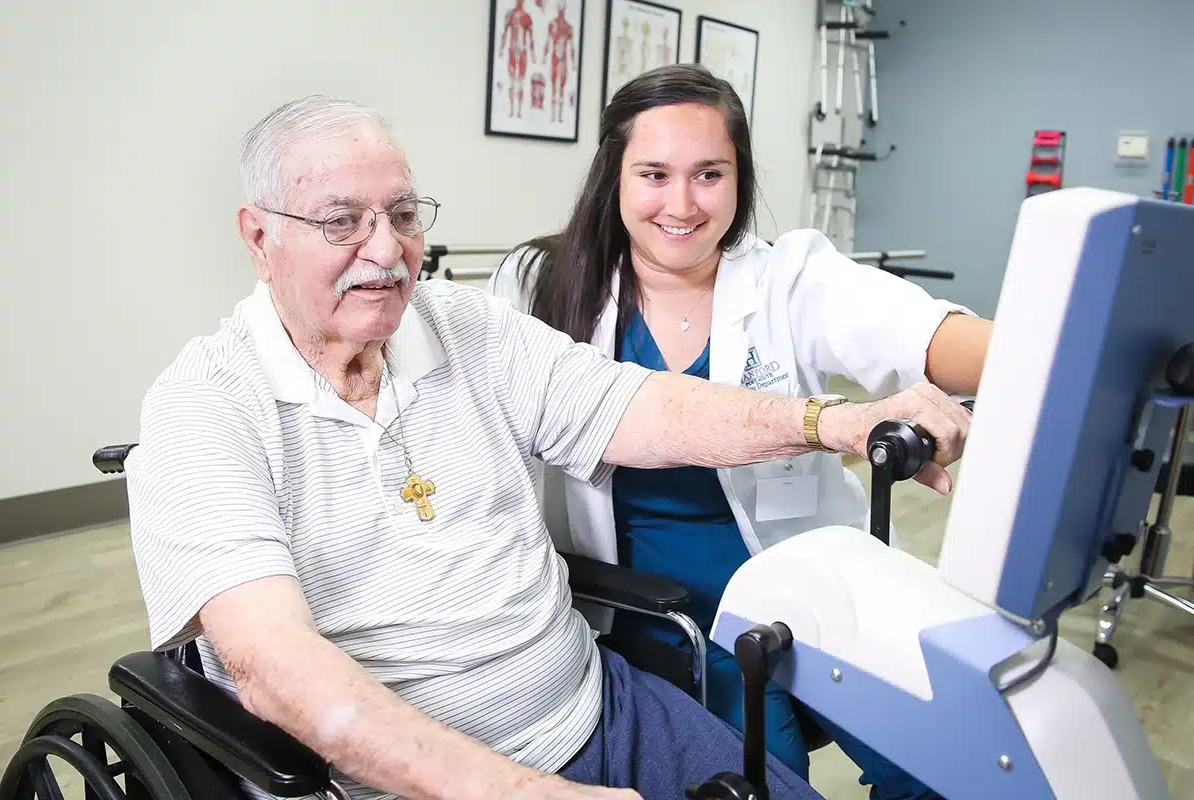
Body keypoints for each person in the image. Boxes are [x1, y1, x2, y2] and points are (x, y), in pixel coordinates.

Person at [125, 93, 973, 800]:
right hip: (393, 782)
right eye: (342, 221)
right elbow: (277, 669)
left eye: (403, 214)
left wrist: (831, 422)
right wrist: (529, 794)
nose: (384, 251)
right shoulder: (204, 406)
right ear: (258, 234)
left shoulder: (466, 329)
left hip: (597, 712)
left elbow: (646, 409)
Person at [488, 63, 992, 800]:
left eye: (710, 175)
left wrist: (1062, 357)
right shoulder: (541, 283)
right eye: (654, 174)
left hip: (815, 594)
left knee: (942, 769)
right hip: (664, 617)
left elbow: (924, 333)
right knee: (777, 783)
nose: (683, 204)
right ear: (614, 176)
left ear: (740, 178)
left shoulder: (787, 280)